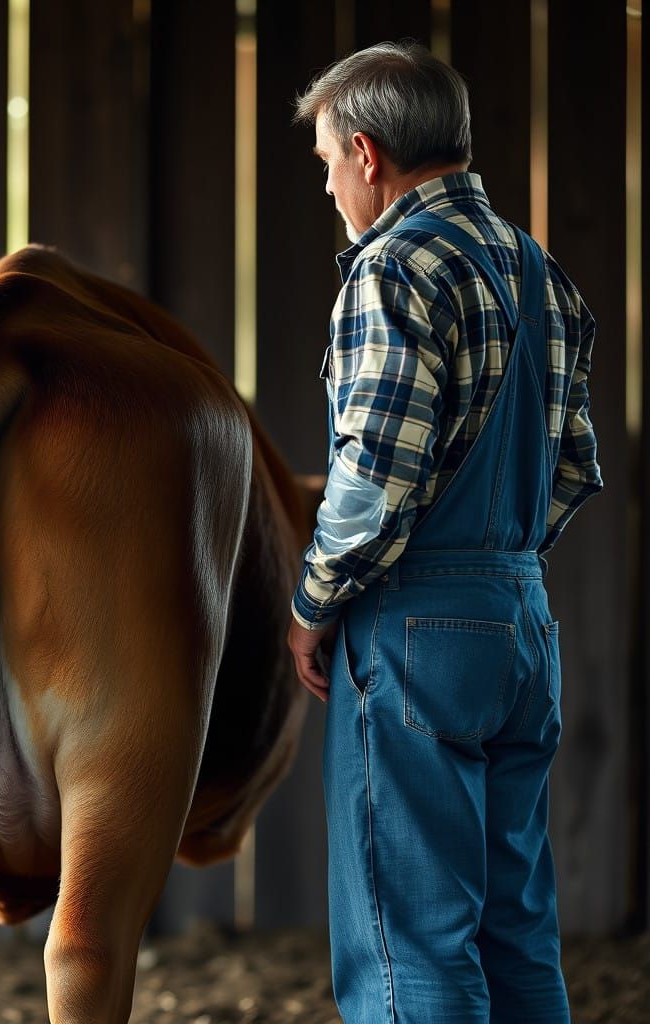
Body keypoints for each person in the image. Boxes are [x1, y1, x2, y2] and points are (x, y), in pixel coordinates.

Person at [285, 41, 603, 1024]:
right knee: (514, 937)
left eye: (329, 163)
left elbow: (374, 479)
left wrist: (310, 606)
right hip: (519, 623)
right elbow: (573, 464)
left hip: (414, 632)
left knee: (407, 945)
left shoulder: (390, 271)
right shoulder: (537, 270)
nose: (332, 186)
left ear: (368, 153)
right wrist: (494, 571)